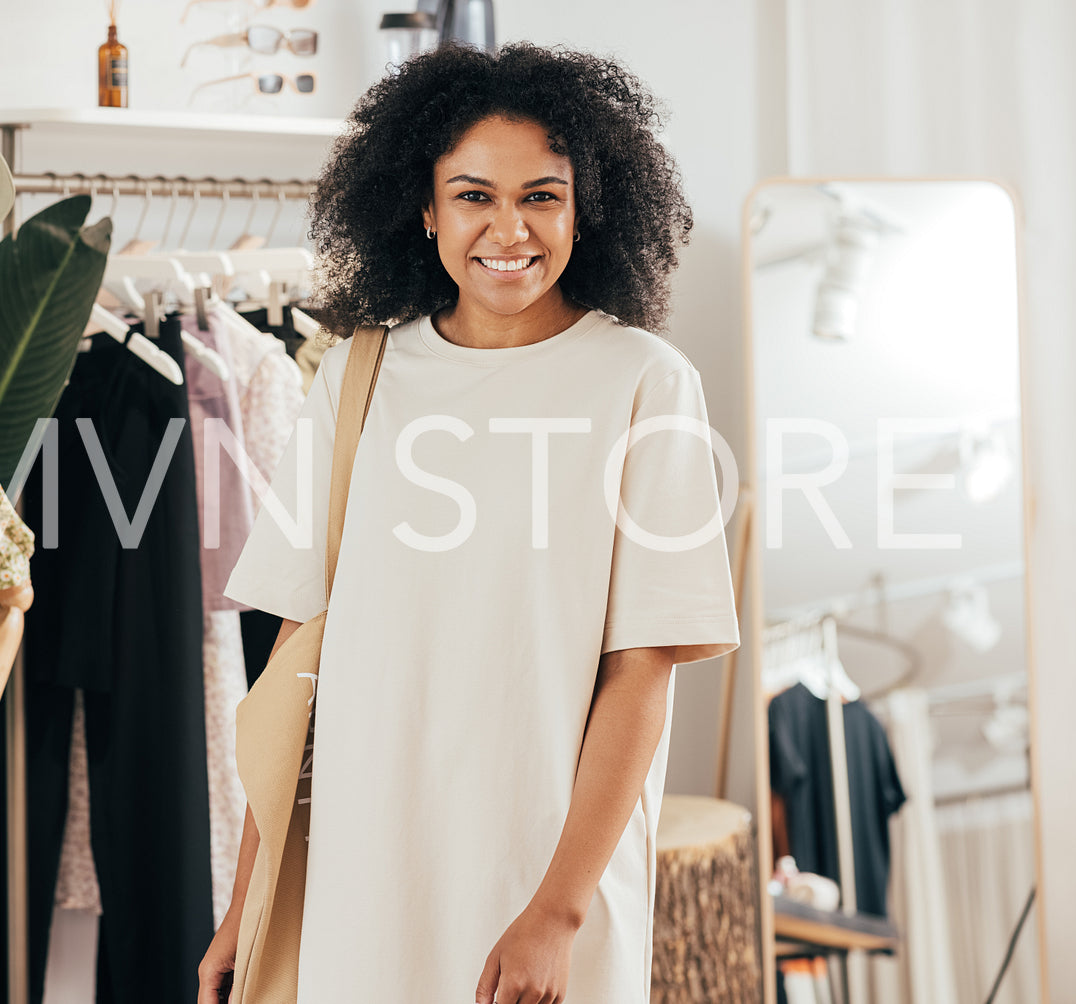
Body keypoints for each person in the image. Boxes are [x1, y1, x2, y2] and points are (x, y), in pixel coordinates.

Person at [200, 41, 740, 1004]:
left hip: (539, 884)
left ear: (585, 207)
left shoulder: (645, 384)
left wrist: (557, 912)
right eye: (473, 195)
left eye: (541, 195)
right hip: (361, 880)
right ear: (425, 209)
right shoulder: (358, 378)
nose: (509, 228)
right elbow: (296, 669)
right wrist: (250, 896)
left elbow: (639, 676)